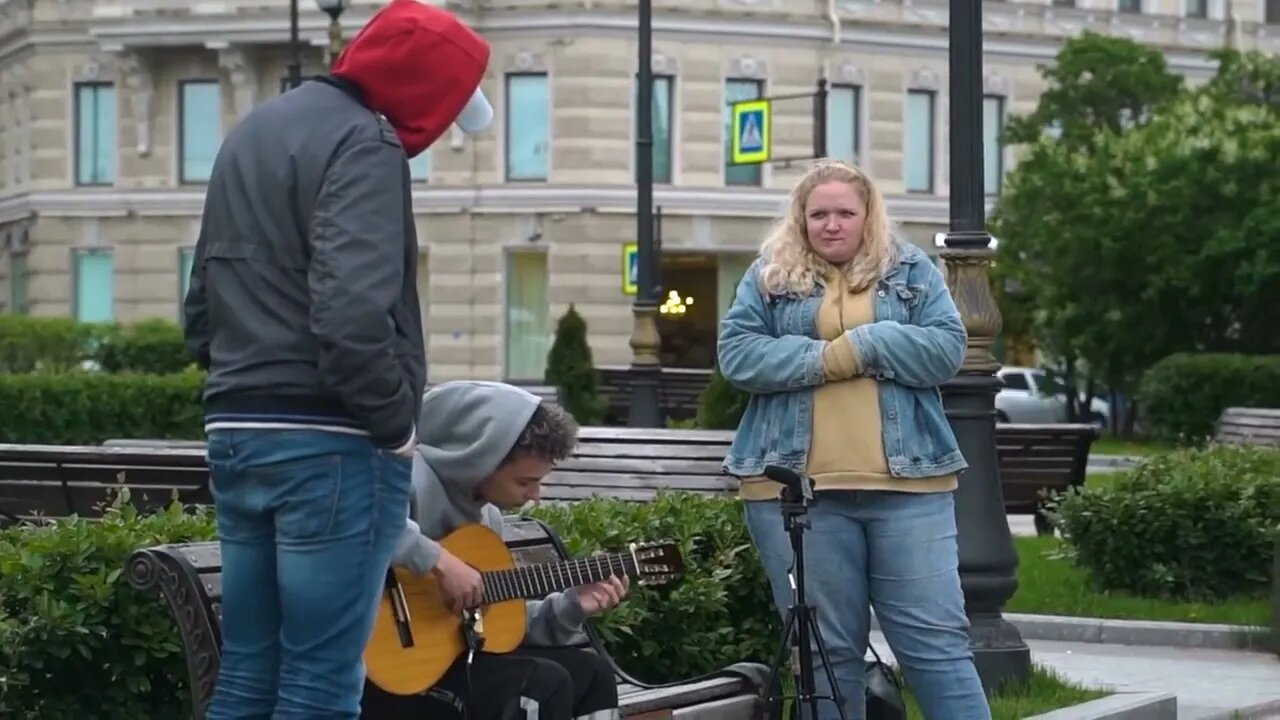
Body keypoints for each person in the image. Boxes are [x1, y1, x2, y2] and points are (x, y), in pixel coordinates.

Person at [181, 2, 496, 717]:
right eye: (447, 108)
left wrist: (240, 383)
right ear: (422, 88)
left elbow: (201, 301)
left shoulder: (254, 130)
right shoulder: (366, 141)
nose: (443, 129)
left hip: (238, 429)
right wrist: (393, 428)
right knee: (321, 683)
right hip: (332, 442)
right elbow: (352, 315)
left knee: (249, 674)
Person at [717, 160, 991, 720]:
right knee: (824, 654)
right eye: (819, 214)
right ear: (801, 218)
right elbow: (738, 356)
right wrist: (835, 357)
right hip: (796, 497)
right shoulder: (769, 275)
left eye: (845, 212)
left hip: (910, 488)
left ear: (868, 216)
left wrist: (874, 340)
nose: (832, 224)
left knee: (935, 644)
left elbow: (946, 351)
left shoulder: (911, 270)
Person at [360, 381, 628, 720]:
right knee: (542, 684)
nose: (535, 496)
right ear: (480, 461)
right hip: (378, 672)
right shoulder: (407, 479)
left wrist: (572, 606)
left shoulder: (487, 520)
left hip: (449, 667)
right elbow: (359, 518)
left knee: (592, 674)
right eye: (524, 481)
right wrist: (439, 561)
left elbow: (499, 627)